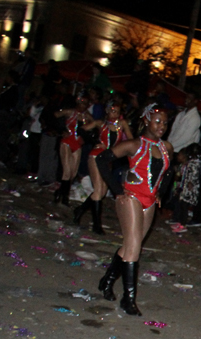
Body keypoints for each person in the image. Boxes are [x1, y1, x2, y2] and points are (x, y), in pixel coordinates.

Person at [95, 104, 173, 316]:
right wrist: (117, 190)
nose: (162, 126)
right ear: (146, 120)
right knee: (134, 246)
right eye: (157, 121)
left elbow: (168, 173)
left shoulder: (167, 147)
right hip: (130, 197)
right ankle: (128, 299)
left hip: (149, 200)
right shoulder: (134, 144)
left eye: (165, 122)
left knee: (130, 244)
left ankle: (107, 280)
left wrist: (160, 194)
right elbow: (101, 159)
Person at [73, 98, 133, 234]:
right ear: (107, 111)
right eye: (112, 111)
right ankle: (96, 224)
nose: (115, 114)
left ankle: (80, 210)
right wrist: (95, 141)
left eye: (117, 111)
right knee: (99, 189)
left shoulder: (122, 123)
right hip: (97, 155)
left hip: (109, 158)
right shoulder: (101, 123)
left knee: (102, 191)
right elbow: (82, 129)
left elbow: (130, 139)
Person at [53, 93, 91, 205]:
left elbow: (97, 127)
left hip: (77, 144)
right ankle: (65, 198)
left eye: (85, 103)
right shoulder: (70, 112)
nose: (83, 105)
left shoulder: (87, 116)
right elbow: (53, 116)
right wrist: (61, 131)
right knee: (67, 171)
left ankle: (59, 192)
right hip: (67, 142)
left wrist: (86, 138)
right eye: (81, 102)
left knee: (73, 174)